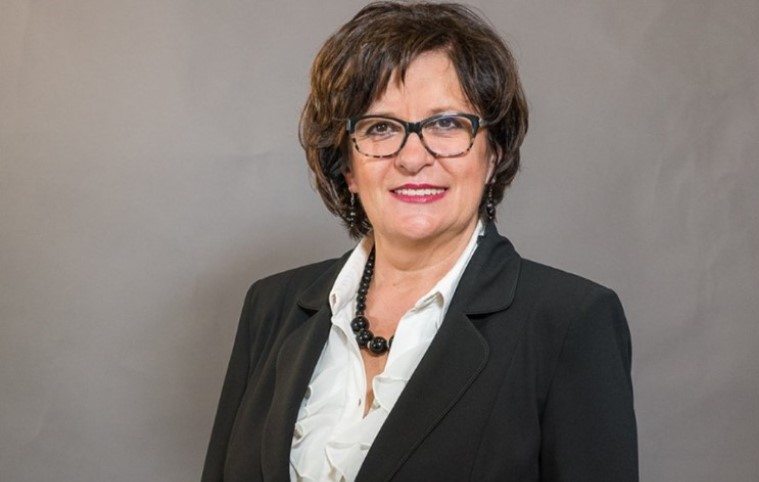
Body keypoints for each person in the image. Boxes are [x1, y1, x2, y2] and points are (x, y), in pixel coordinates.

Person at [201, 2, 638, 481]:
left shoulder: (570, 323)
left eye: (446, 123)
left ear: (493, 154)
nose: (413, 158)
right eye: (381, 127)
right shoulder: (271, 309)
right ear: (347, 166)